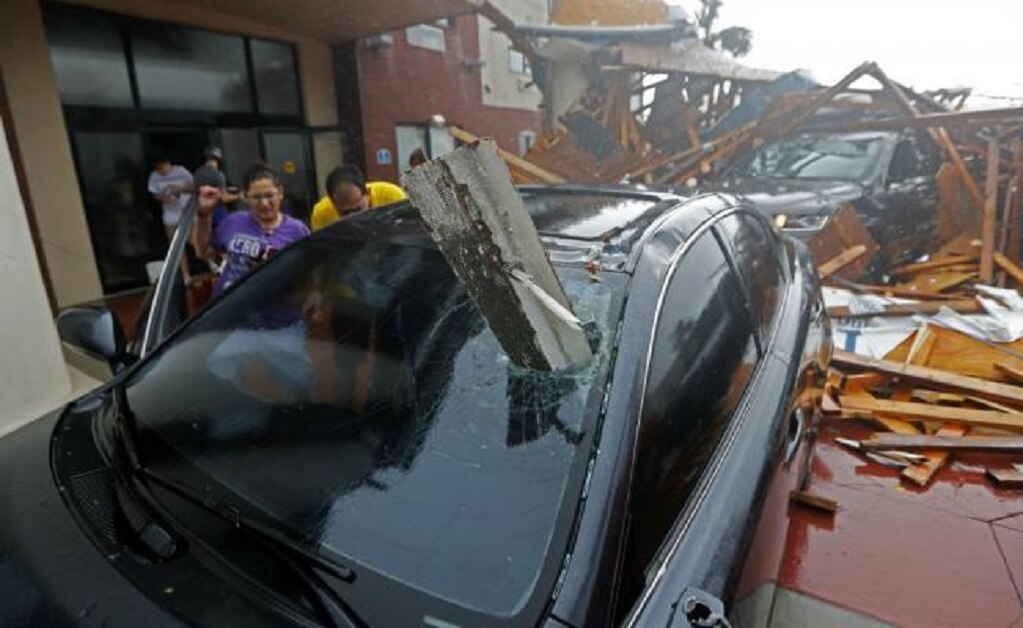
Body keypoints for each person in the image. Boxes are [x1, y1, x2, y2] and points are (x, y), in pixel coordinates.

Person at [194, 163, 309, 296]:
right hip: (231, 308)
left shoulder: (298, 231)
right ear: (245, 197)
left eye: (269, 195)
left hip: (276, 311)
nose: (264, 203)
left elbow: (307, 275)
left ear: (280, 193)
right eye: (257, 197)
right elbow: (202, 252)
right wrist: (204, 215)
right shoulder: (233, 221)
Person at [310, 164, 407, 231]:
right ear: (332, 202)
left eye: (358, 210)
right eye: (345, 213)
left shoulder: (393, 197)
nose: (353, 217)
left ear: (368, 194)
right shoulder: (322, 214)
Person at [148, 154, 193, 281]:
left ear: (168, 163)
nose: (161, 171)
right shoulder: (154, 176)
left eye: (162, 168)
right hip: (170, 214)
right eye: (158, 169)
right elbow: (155, 195)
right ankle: (185, 275)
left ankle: (213, 263)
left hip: (186, 211)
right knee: (176, 245)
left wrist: (181, 188)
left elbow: (195, 188)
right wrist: (166, 199)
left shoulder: (181, 171)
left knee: (193, 240)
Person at [193, 146, 238, 229]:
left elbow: (196, 190)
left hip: (202, 211)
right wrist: (238, 196)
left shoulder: (197, 173)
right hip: (217, 211)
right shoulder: (218, 175)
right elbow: (223, 198)